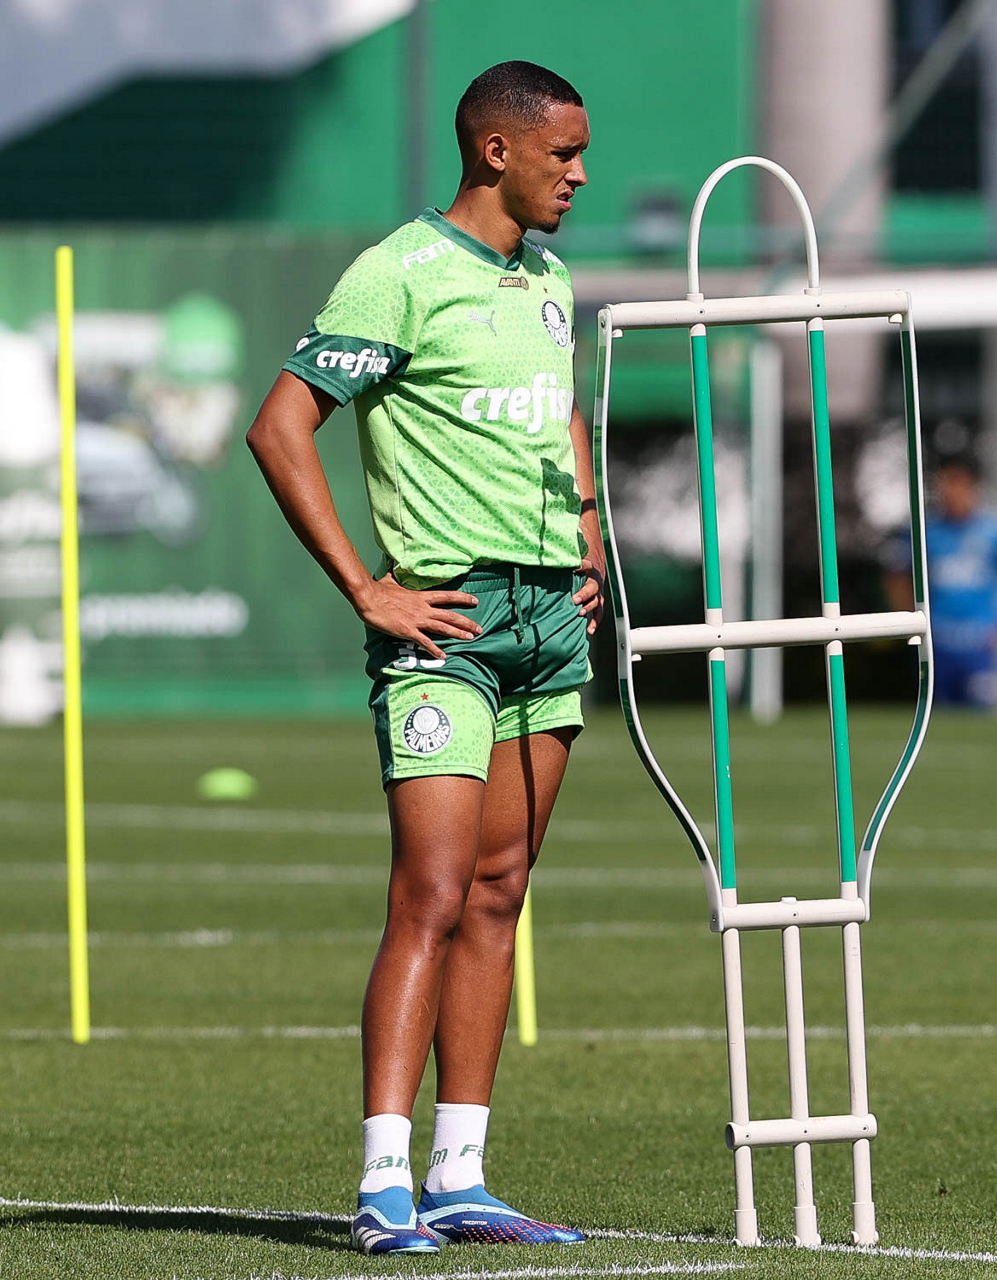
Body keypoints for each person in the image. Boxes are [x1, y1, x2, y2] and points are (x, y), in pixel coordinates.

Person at [246, 61, 601, 1255]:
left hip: (550, 621)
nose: (579, 175)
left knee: (500, 893)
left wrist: (586, 529)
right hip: (446, 621)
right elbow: (279, 425)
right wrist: (367, 585)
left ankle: (461, 1175)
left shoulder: (549, 278)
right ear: (496, 151)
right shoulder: (397, 272)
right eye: (563, 154)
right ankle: (382, 1183)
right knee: (432, 894)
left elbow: (557, 410)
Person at [884, 450, 997, 707]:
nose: (950, 490)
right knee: (935, 717)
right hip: (938, 643)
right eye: (945, 481)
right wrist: (911, 625)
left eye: (957, 481)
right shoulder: (925, 531)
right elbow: (896, 577)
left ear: (972, 484)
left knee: (985, 716)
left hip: (982, 645)